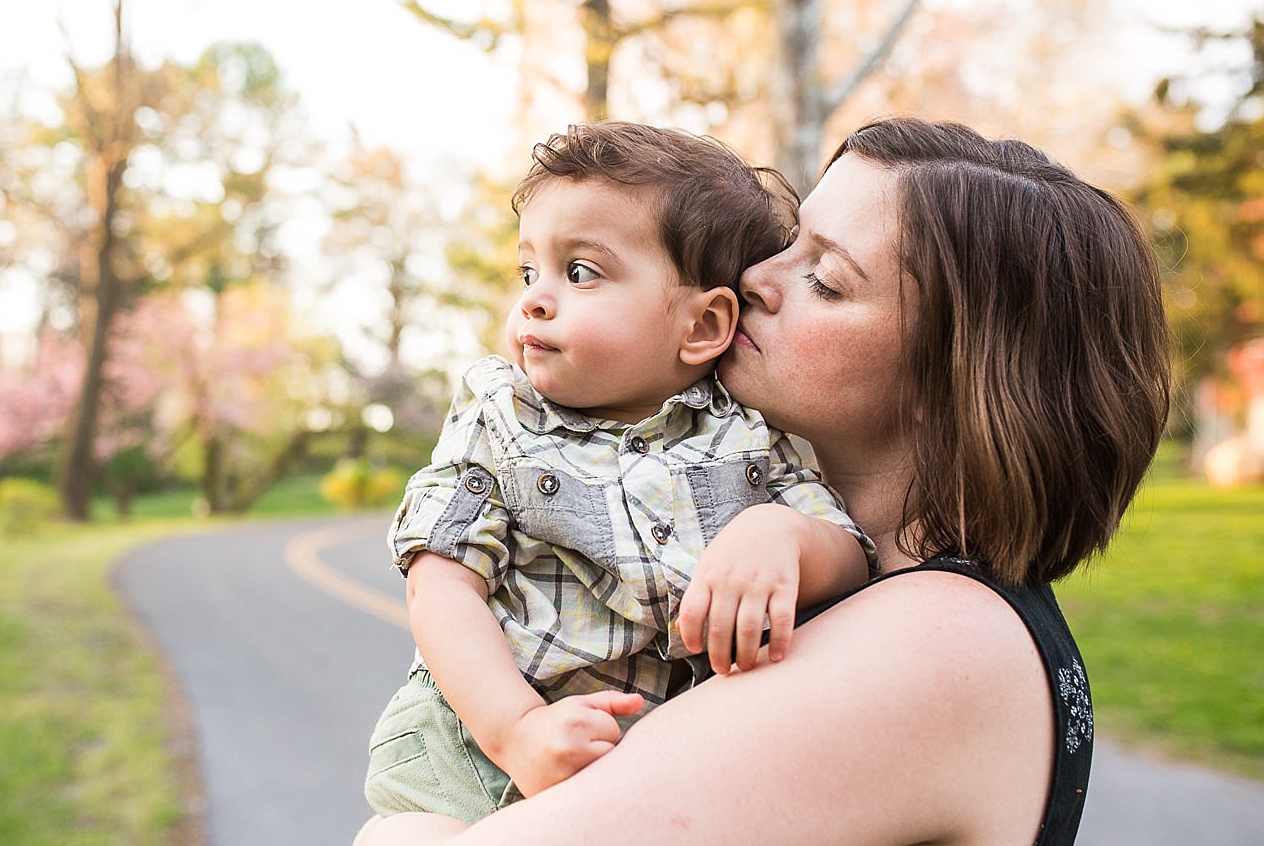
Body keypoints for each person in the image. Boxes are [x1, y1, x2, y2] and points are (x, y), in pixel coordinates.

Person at [354, 116, 1171, 846]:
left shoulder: (932, 643)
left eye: (826, 278)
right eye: (791, 242)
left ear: (949, 378)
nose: (756, 279)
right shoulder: (878, 598)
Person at [362, 121, 876, 824]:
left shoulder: (746, 432)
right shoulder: (501, 412)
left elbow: (848, 552)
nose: (535, 299)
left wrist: (780, 536)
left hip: (641, 765)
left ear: (701, 327)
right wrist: (514, 728)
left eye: (580, 273)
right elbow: (441, 579)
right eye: (528, 272)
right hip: (469, 751)